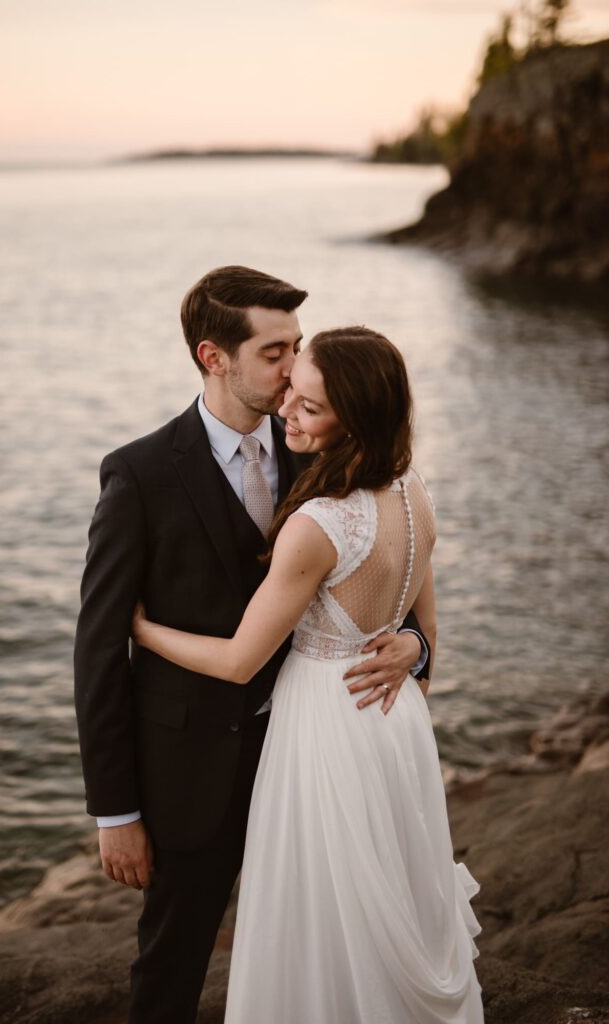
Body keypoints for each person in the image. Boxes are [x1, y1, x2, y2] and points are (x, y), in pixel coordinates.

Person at [74, 267, 431, 1024]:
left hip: (315, 759)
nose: (294, 369)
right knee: (171, 960)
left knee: (313, 950)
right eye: (274, 352)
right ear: (213, 357)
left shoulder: (323, 440)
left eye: (298, 347)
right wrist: (115, 812)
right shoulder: (139, 474)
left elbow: (389, 567)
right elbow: (98, 651)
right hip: (190, 770)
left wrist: (414, 646)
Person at [131, 325, 484, 1023]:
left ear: (353, 419)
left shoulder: (319, 523)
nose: (286, 409)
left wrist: (140, 627)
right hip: (395, 724)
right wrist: (410, 651)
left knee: (322, 910)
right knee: (388, 894)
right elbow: (427, 631)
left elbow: (238, 661)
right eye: (291, 387)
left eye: (309, 406)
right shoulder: (413, 489)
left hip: (325, 728)